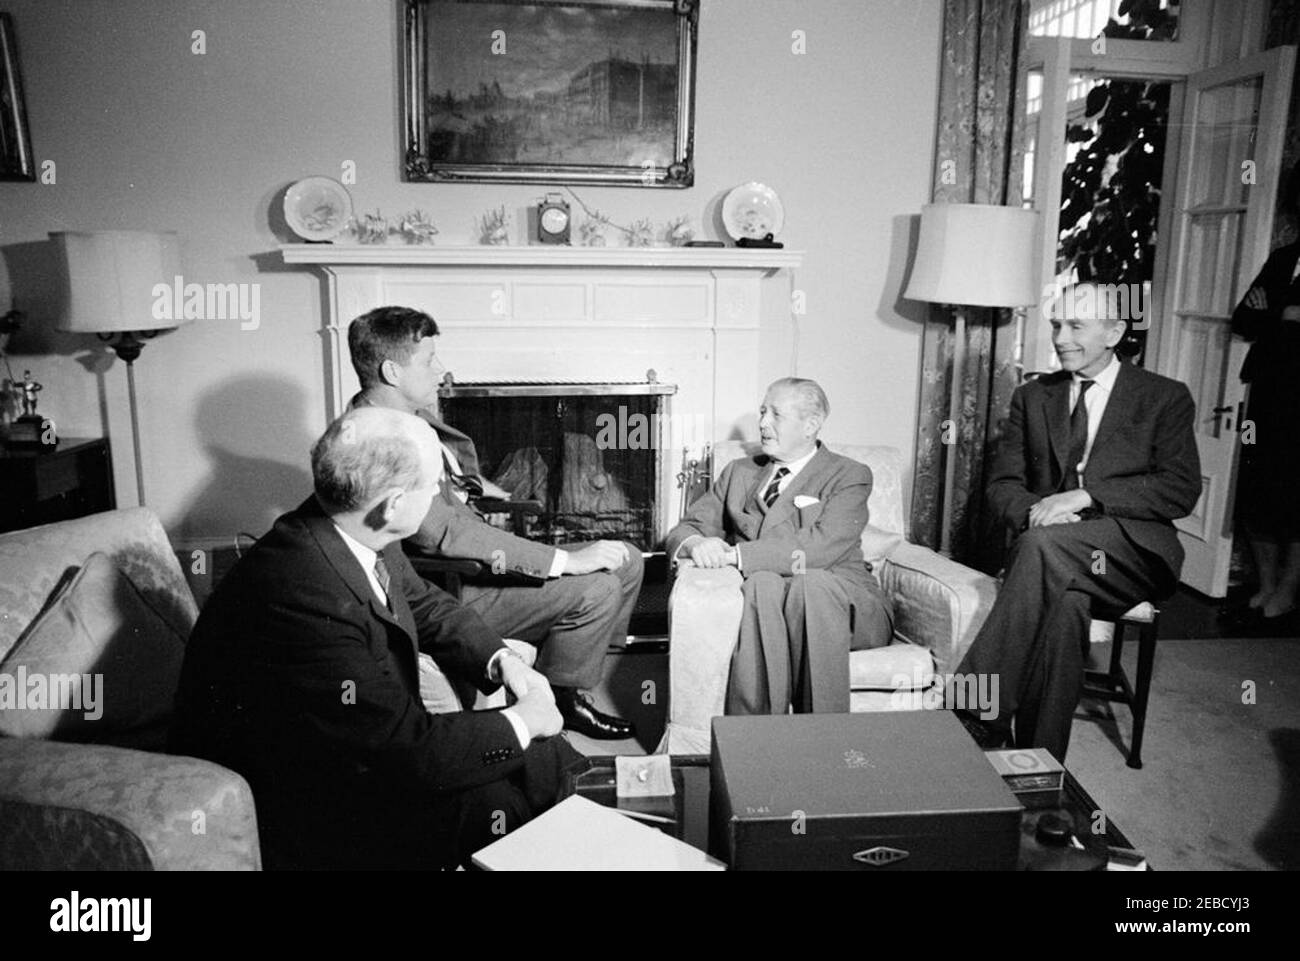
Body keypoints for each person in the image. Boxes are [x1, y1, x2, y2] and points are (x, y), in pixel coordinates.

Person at [170, 407, 580, 870]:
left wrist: (502, 661)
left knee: (547, 758)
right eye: (433, 488)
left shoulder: (352, 525)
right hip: (295, 802)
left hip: (356, 747)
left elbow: (422, 601)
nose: (438, 496)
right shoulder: (299, 594)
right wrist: (522, 720)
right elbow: (404, 750)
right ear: (393, 504)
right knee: (496, 806)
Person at [347, 306, 642, 740]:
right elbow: (444, 534)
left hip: (478, 553)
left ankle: (579, 672)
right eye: (428, 360)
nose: (441, 369)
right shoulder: (380, 439)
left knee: (628, 559)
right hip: (452, 585)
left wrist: (491, 491)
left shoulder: (407, 416)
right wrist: (564, 560)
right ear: (392, 370)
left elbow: (452, 478)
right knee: (599, 585)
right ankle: (561, 700)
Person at [954, 281, 1200, 761]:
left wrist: (1085, 495)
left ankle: (973, 715)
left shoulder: (1163, 397)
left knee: (1041, 550)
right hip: (1055, 556)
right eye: (1056, 325)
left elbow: (1180, 489)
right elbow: (1002, 484)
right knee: (1064, 606)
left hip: (1131, 553)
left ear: (1114, 332)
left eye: (1076, 326)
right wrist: (1036, 512)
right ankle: (1038, 768)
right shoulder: (1034, 397)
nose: (1060, 338)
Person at [664, 377, 893, 715]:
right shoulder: (739, 472)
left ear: (810, 424)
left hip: (842, 603)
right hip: (768, 602)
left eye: (776, 415)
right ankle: (754, 739)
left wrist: (736, 555)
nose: (762, 423)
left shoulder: (849, 474)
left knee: (809, 585)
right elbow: (686, 528)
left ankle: (824, 741)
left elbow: (822, 546)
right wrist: (698, 542)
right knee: (761, 583)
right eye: (761, 412)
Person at [1227, 165, 1300, 630]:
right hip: (1269, 389)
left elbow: (1267, 315)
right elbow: (1243, 320)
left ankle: (1289, 589)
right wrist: (1285, 313)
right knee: (1256, 489)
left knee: (1296, 494)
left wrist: (1272, 312)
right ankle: (1268, 582)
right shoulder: (1282, 258)